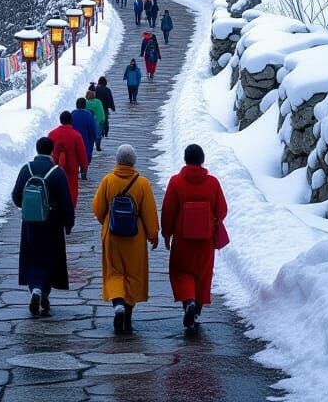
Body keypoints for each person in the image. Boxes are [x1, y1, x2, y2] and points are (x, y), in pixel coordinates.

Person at [92, 143, 160, 334]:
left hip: (112, 234)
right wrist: (153, 234)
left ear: (117, 160)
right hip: (135, 237)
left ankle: (118, 304)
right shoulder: (142, 183)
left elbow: (97, 208)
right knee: (132, 274)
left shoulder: (108, 180)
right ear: (134, 161)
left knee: (114, 272)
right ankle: (127, 313)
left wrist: (106, 222)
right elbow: (149, 213)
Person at [161, 143, 229, 329]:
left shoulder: (176, 182)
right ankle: (196, 307)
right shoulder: (213, 183)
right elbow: (222, 209)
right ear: (202, 160)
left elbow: (168, 210)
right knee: (202, 274)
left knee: (183, 272)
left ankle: (188, 302)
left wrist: (166, 233)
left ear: (185, 159)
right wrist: (211, 220)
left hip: (183, 239)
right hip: (205, 239)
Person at [11, 136, 76, 316]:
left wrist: (28, 207)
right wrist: (68, 223)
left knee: (31, 256)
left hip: (30, 224)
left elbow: (16, 196)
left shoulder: (27, 169)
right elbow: (66, 201)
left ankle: (35, 289)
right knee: (49, 257)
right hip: (52, 224)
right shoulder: (56, 172)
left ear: (37, 149)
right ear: (51, 151)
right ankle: (43, 292)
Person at [47, 111, 88, 203]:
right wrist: (84, 168)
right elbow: (82, 155)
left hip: (55, 169)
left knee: (56, 190)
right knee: (71, 191)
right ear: (71, 121)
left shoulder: (52, 134)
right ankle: (69, 212)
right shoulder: (76, 135)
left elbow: (48, 152)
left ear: (60, 120)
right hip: (72, 170)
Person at [71, 98, 99, 164]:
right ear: (84, 105)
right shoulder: (89, 115)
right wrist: (95, 138)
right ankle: (84, 171)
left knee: (75, 156)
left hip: (75, 140)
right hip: (86, 140)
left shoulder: (72, 114)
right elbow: (93, 129)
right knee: (86, 157)